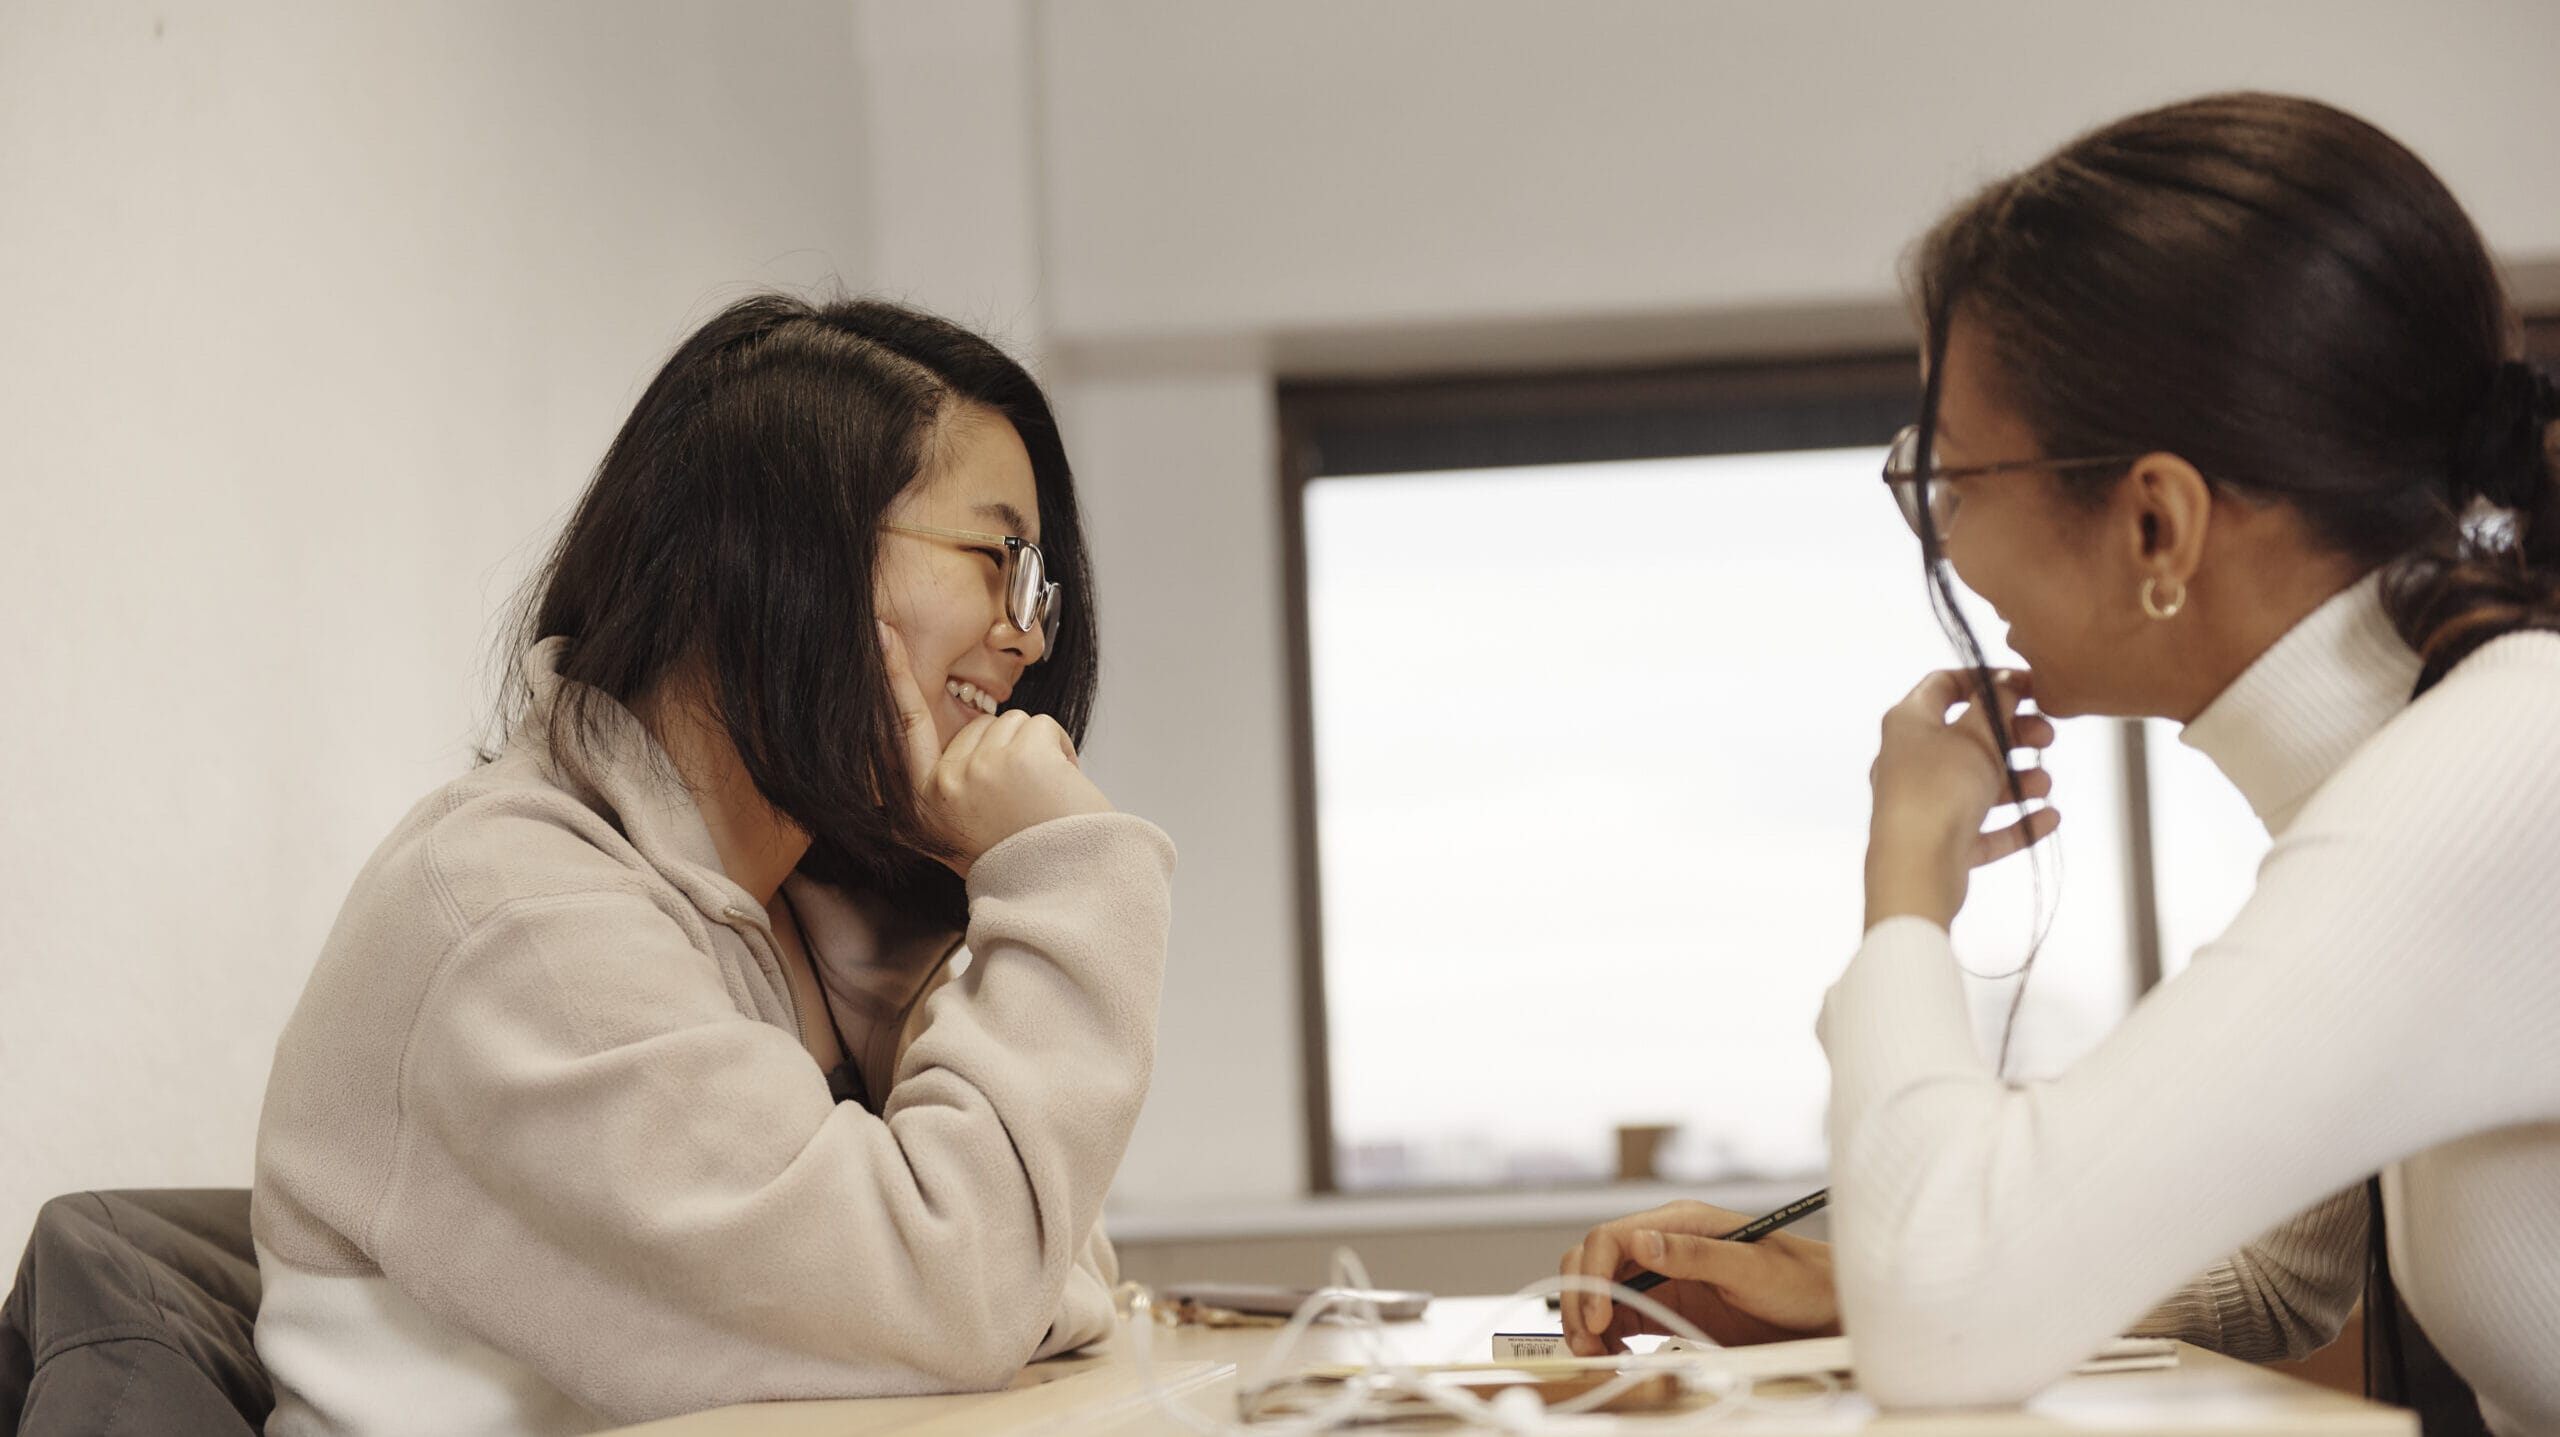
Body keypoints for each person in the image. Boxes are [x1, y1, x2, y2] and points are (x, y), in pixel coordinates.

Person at [1562, 92, 2560, 1434]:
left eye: (1954, 483)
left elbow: (1951, 1323)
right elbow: (2277, 1268)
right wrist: (1846, 1276)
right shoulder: (2440, 752)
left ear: (2156, 520)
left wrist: (1905, 881)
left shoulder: (2496, 770)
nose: (1949, 548)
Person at [251, 295, 1176, 1436]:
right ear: (788, 546)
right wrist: (1068, 876)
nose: (1028, 635)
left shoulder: (785, 925)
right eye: (1001, 557)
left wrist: (902, 1001)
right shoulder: (520, 920)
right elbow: (962, 1302)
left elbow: (1032, 1277)